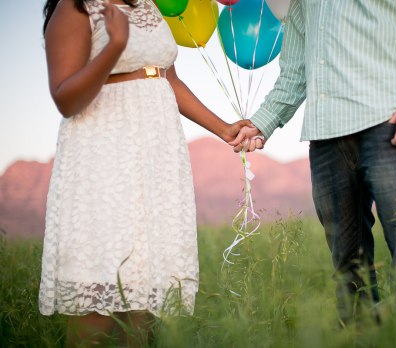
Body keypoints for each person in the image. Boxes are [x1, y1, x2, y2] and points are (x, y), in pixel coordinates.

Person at [231, 0, 396, 325]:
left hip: (389, 125)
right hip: (326, 139)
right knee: (347, 266)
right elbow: (296, 71)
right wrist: (262, 122)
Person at [39, 0, 253, 345]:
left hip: (156, 155)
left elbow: (167, 76)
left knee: (145, 284)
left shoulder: (149, 5)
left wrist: (223, 128)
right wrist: (116, 46)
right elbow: (65, 99)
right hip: (104, 154)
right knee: (100, 271)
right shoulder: (76, 7)